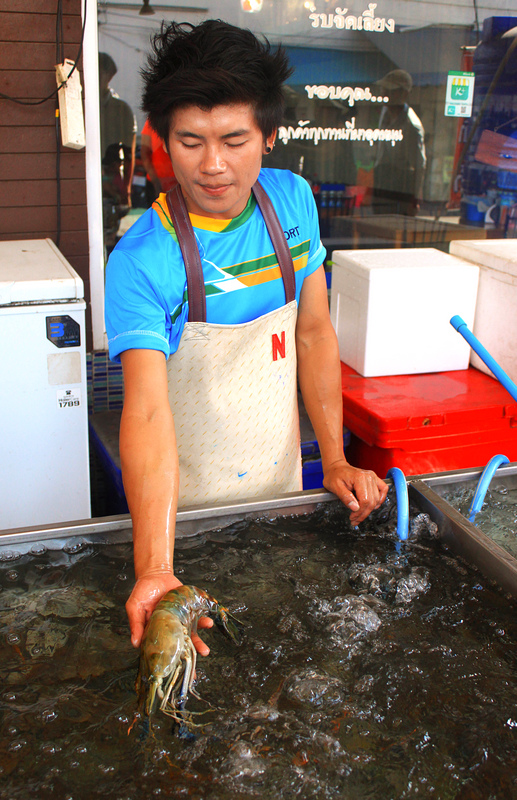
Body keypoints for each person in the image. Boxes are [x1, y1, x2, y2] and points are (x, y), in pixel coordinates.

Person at [104, 20, 388, 654]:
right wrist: (154, 565)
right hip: (186, 525)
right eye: (190, 141)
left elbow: (313, 333)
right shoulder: (142, 260)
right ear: (162, 141)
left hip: (282, 495)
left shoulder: (291, 203)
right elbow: (146, 409)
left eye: (234, 140)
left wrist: (336, 458)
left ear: (269, 136)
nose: (213, 165)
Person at [371, 70, 426, 217]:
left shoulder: (412, 126)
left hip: (401, 185)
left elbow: (419, 165)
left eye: (390, 91)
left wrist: (414, 198)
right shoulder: (384, 112)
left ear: (404, 94)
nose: (385, 95)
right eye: (384, 90)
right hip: (381, 181)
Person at [99, 52, 137, 208]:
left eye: (99, 73)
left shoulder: (122, 109)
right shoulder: (78, 106)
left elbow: (130, 153)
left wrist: (126, 190)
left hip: (112, 181)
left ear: (109, 76)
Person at [140, 118, 177, 205]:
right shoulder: (152, 121)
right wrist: (156, 182)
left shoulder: (181, 116)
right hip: (156, 182)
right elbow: (144, 154)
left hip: (180, 183)